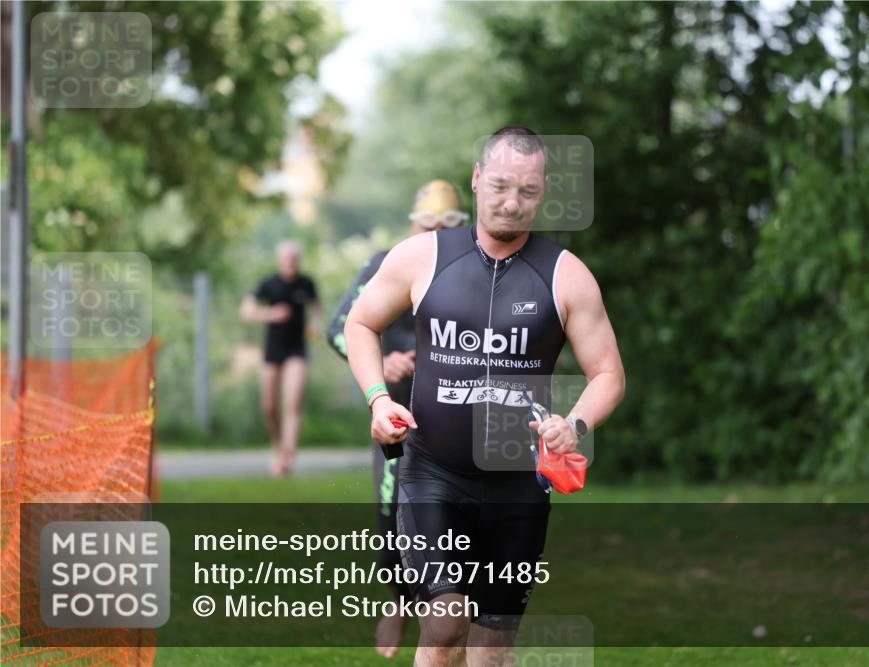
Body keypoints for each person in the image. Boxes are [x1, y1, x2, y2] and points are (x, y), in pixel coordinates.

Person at [344, 127, 626, 666]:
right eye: (499, 186)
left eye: (525, 191)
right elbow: (360, 322)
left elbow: (608, 373)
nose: (510, 202)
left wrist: (576, 424)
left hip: (518, 486)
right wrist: (379, 399)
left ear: (542, 191)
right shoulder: (422, 256)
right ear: (476, 179)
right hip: (432, 474)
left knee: (492, 645)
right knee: (445, 621)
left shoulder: (566, 276)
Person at [327, 179, 468, 659]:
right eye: (424, 225)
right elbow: (339, 328)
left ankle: (447, 617)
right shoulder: (385, 264)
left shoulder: (470, 268)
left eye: (443, 227)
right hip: (397, 421)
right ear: (412, 223)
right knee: (392, 530)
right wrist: (381, 370)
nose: (431, 235)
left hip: (456, 424)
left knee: (460, 527)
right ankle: (402, 603)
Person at [240, 240, 320, 477]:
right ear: (279, 260)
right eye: (287, 258)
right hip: (273, 351)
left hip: (297, 351)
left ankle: (287, 457)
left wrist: (315, 325)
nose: (291, 262)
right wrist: (270, 314)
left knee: (293, 403)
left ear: (299, 260)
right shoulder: (269, 284)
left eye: (295, 258)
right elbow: (246, 311)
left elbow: (317, 308)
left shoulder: (306, 283)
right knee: (269, 406)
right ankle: (278, 447)